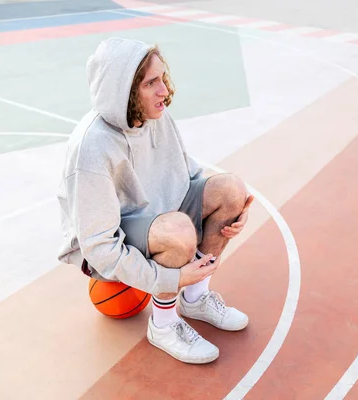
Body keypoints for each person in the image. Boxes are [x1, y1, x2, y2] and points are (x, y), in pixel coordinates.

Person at [56, 37, 254, 364]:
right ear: (126, 91)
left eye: (163, 78)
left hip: (162, 217)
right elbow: (99, 247)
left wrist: (231, 213)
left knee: (231, 189)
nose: (165, 90)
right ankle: (163, 325)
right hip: (113, 241)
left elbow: (187, 176)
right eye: (151, 83)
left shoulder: (155, 116)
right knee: (177, 230)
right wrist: (169, 279)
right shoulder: (93, 147)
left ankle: (195, 297)